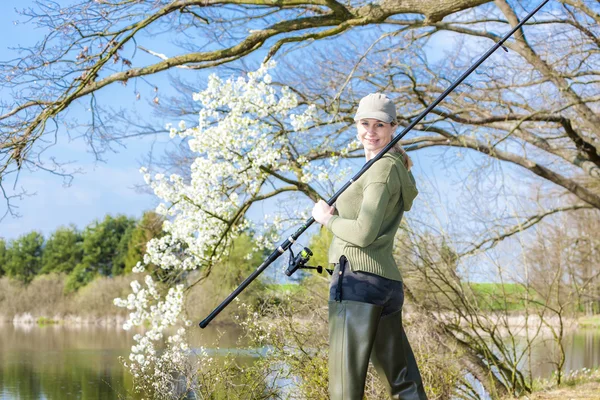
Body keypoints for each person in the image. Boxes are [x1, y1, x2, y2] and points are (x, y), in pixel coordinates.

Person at [312, 93, 428, 400]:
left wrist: (327, 220)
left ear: (393, 128)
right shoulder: (391, 166)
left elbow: (363, 233)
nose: (371, 131)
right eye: (365, 123)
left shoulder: (380, 169)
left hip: (357, 282)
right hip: (384, 283)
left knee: (344, 390)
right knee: (403, 382)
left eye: (379, 125)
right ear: (356, 125)